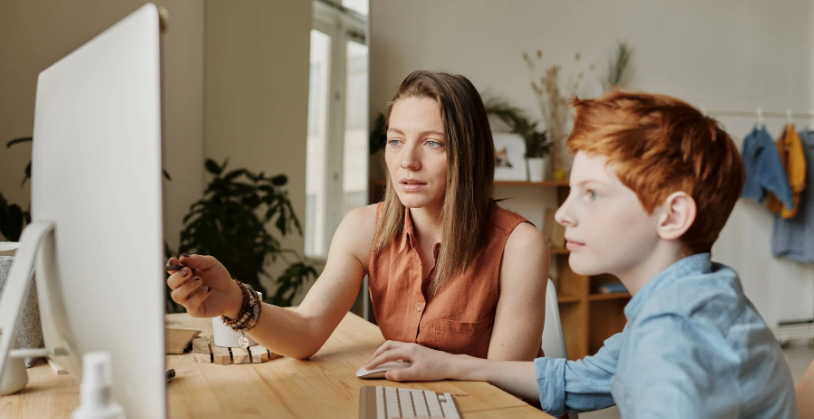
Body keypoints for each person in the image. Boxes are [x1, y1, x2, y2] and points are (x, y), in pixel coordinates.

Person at [363, 90, 799, 418]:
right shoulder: (692, 298)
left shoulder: (673, 341)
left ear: (673, 216)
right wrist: (449, 364)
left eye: (591, 195)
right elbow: (576, 378)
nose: (566, 214)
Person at [166, 70, 550, 362]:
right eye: (396, 140)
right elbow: (306, 331)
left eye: (432, 143)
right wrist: (235, 300)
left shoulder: (520, 246)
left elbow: (503, 388)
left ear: (469, 154)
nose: (407, 161)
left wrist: (434, 367)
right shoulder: (364, 228)